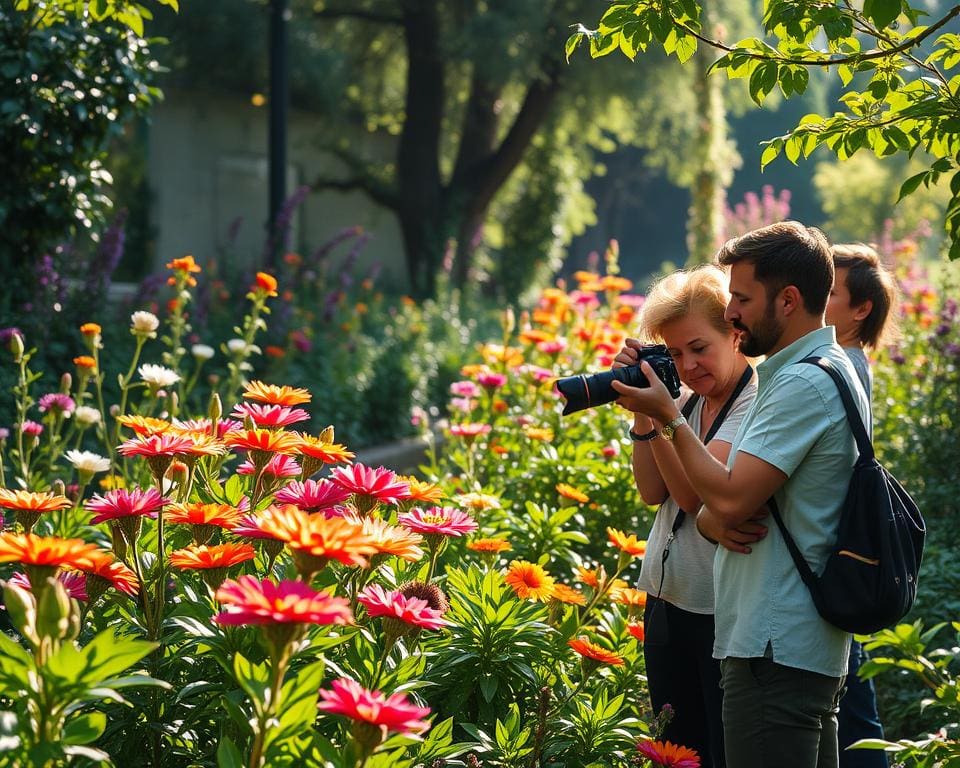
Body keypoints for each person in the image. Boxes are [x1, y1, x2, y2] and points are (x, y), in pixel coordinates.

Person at [610, 221, 870, 768]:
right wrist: (660, 422)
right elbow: (714, 506)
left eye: (743, 299)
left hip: (773, 641)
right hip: (777, 640)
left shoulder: (800, 382)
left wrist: (662, 416)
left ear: (789, 299)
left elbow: (723, 500)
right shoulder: (818, 369)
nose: (734, 313)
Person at [614, 266, 756, 768]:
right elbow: (653, 492)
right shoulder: (689, 400)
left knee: (715, 750)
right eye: (673, 354)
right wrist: (639, 409)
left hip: (716, 609)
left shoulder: (752, 404)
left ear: (735, 334)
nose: (688, 365)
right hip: (665, 596)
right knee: (674, 749)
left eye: (699, 347)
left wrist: (662, 415)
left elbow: (695, 497)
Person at [827, 243, 899, 768]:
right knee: (850, 698)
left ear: (861, 310)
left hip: (836, 550)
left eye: (829, 292)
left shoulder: (842, 365)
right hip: (839, 549)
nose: (814, 298)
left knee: (852, 707)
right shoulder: (842, 359)